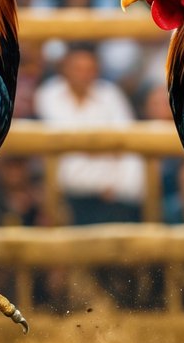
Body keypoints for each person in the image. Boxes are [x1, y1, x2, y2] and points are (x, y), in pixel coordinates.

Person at [34, 44, 144, 224]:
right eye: (77, 69)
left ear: (98, 70)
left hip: (109, 196)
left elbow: (128, 145)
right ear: (64, 69)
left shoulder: (110, 96)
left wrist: (121, 188)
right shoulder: (48, 95)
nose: (83, 75)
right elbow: (51, 153)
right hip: (63, 196)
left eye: (89, 69)